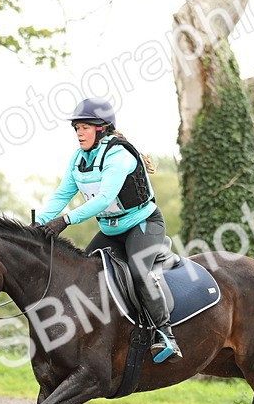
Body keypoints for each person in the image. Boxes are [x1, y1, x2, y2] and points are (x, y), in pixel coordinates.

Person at [36, 97, 181, 362]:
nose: (79, 133)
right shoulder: (78, 159)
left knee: (138, 271)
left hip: (144, 225)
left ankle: (166, 336)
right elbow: (61, 195)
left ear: (102, 128)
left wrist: (65, 221)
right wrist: (37, 224)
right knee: (82, 275)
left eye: (85, 127)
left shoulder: (118, 155)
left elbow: (103, 199)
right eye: (76, 128)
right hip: (111, 231)